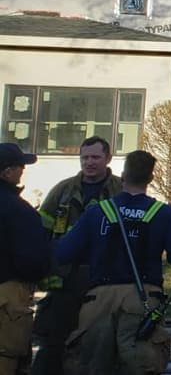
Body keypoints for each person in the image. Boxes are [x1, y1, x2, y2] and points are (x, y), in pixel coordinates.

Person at [55, 150, 171, 375]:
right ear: (151, 179)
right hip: (144, 299)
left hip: (99, 299)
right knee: (142, 365)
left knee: (92, 366)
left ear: (123, 175)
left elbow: (63, 253)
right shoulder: (164, 214)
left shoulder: (98, 211)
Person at [32, 137, 122, 375]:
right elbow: (42, 233)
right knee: (55, 342)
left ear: (108, 159)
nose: (89, 163)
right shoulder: (62, 191)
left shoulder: (119, 191)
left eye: (95, 157)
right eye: (85, 158)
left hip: (104, 281)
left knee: (99, 343)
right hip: (65, 280)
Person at [0, 143, 51, 375]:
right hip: (8, 295)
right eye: (20, 166)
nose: (23, 171)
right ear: (7, 172)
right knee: (9, 358)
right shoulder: (19, 211)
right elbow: (31, 262)